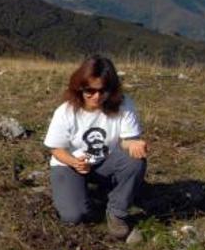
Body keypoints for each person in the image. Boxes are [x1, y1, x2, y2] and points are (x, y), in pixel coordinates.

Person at [43, 56, 148, 239]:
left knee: (134, 161)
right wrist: (74, 162)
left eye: (103, 91)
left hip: (105, 161)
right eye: (90, 91)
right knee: (73, 216)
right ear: (79, 88)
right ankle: (88, 195)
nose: (97, 96)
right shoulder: (66, 111)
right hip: (69, 164)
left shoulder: (124, 105)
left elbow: (126, 140)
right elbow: (55, 148)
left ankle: (117, 212)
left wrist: (133, 143)